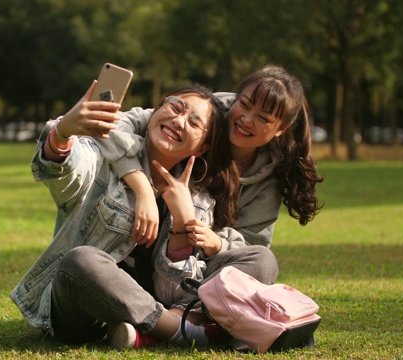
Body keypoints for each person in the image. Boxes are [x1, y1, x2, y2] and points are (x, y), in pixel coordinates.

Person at [9, 81, 257, 350]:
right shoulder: (104, 161)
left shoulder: (198, 198)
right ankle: (181, 332)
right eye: (175, 107)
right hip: (85, 311)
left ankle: (150, 331)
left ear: (201, 149)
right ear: (155, 112)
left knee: (260, 259)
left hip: (157, 306)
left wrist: (183, 225)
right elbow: (68, 170)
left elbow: (172, 293)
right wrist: (62, 132)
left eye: (194, 122)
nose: (179, 120)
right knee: (81, 260)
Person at [94, 64, 323, 325]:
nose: (247, 120)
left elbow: (250, 249)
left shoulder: (268, 180)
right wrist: (142, 187)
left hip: (197, 277)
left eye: (263, 118)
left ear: (280, 129)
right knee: (88, 263)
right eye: (245, 105)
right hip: (143, 246)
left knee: (263, 263)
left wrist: (216, 243)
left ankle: (177, 319)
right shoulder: (200, 115)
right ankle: (178, 326)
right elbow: (119, 124)